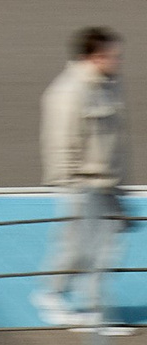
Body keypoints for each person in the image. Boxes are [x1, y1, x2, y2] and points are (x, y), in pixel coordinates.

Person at [38, 26, 128, 328]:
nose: (117, 60)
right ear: (94, 56)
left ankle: (94, 310)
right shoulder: (69, 91)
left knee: (105, 249)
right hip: (83, 184)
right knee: (79, 250)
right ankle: (52, 296)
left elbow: (113, 142)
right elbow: (60, 143)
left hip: (106, 184)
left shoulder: (107, 85)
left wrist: (118, 186)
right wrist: (71, 188)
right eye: (112, 55)